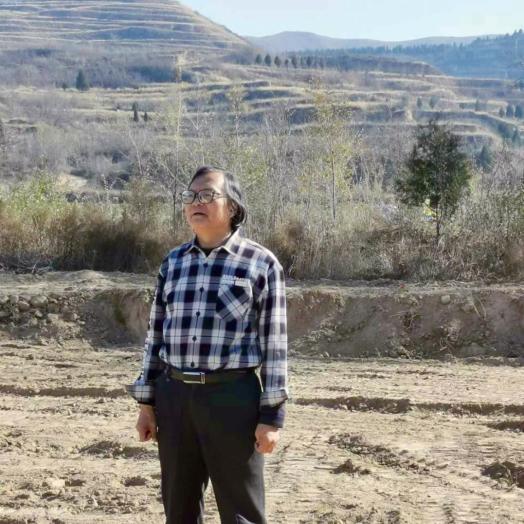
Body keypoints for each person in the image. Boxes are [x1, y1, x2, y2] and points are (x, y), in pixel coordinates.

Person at [126, 166, 289, 524]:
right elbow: (156, 336)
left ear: (232, 207)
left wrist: (271, 417)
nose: (195, 202)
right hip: (174, 397)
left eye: (207, 195)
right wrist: (147, 403)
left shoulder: (260, 264)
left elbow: (275, 346)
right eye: (190, 196)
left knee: (242, 513)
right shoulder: (173, 263)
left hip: (233, 399)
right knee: (179, 510)